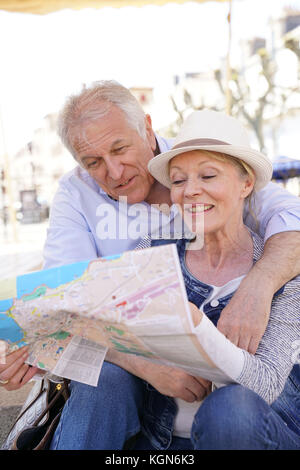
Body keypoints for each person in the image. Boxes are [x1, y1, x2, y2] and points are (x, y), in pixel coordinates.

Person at [0, 82, 299, 449]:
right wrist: (33, 355)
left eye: (120, 149)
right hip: (144, 394)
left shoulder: (206, 154)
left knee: (231, 410)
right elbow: (67, 310)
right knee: (105, 381)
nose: (113, 171)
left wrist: (260, 284)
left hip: (239, 410)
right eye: (93, 162)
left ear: (147, 127)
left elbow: (292, 225)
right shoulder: (119, 231)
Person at [141, 109, 300, 449]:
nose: (190, 191)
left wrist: (197, 329)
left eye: (208, 176)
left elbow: (266, 383)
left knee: (231, 410)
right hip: (167, 443)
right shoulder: (152, 252)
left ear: (246, 184)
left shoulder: (283, 269)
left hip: (258, 434)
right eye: (179, 180)